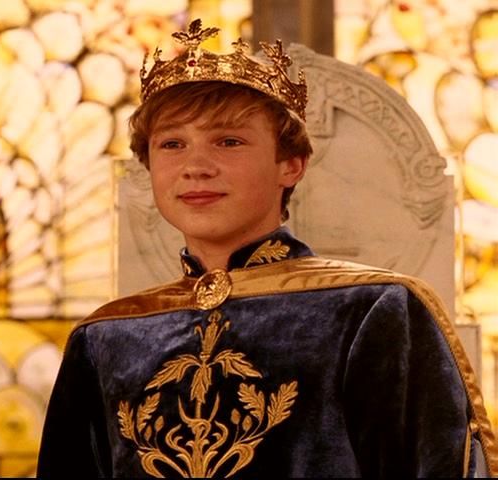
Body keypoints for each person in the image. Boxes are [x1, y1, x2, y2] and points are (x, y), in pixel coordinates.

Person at [36, 19, 497, 477]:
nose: (195, 166)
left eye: (228, 141)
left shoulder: (374, 310)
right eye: (172, 144)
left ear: (291, 165)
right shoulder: (104, 338)